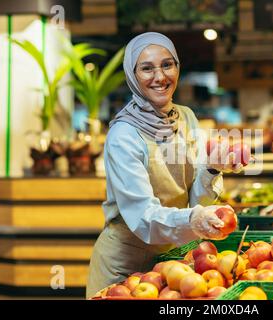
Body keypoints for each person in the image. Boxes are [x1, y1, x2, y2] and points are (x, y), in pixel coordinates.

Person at [86, 32, 246, 299]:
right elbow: (143, 218)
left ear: (177, 67)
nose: (160, 77)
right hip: (125, 267)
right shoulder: (123, 135)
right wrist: (192, 219)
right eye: (147, 68)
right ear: (132, 75)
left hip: (175, 261)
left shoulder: (186, 118)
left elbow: (195, 199)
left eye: (167, 64)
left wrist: (211, 168)